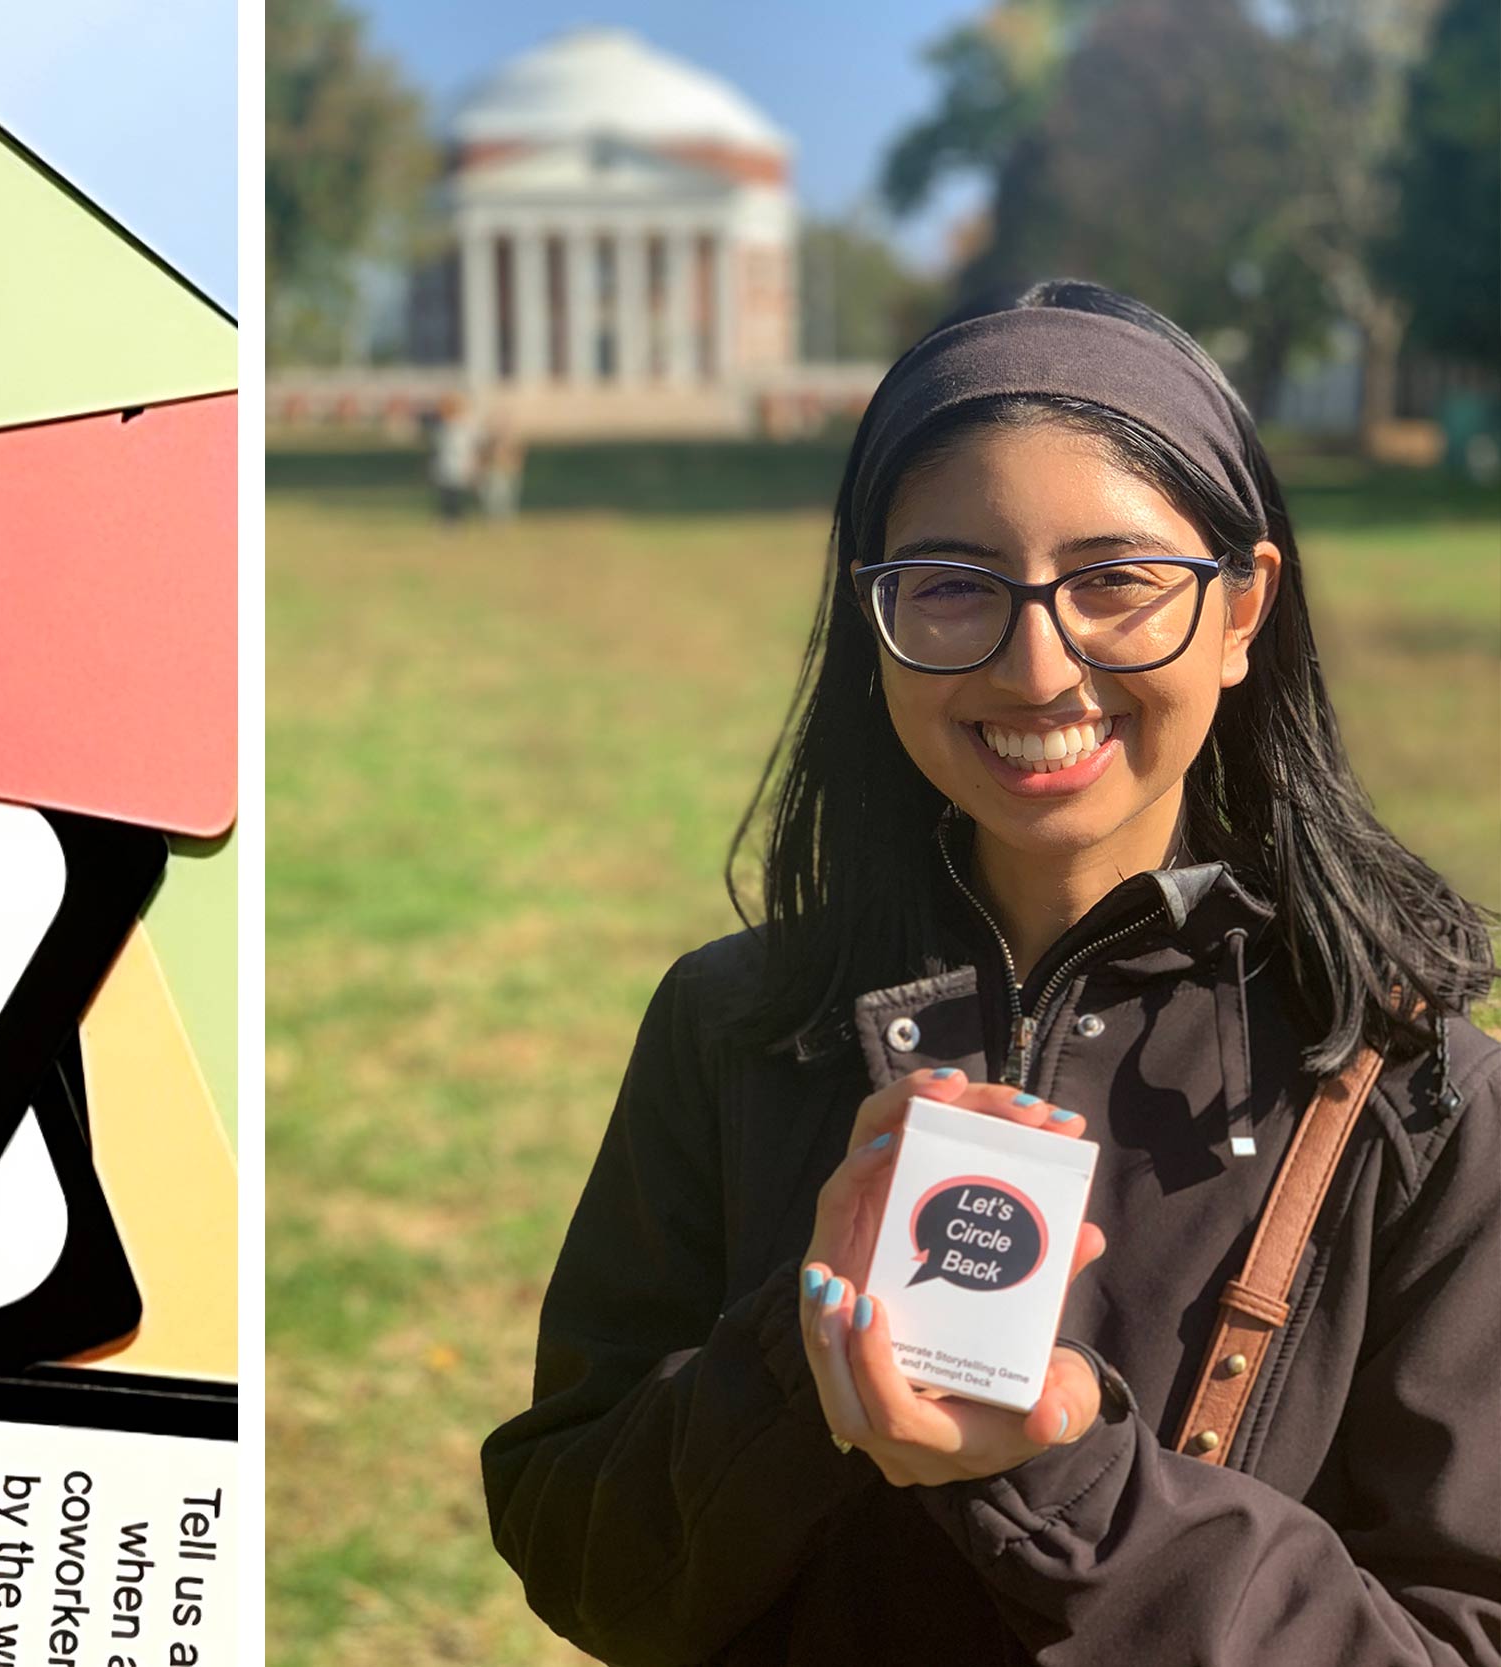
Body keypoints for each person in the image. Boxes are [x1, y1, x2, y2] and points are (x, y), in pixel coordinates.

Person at [481, 280, 1500, 1665]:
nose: (1038, 667)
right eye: (954, 585)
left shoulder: (1415, 1087)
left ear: (1244, 606)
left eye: (1117, 580)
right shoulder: (734, 1021)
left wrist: (1078, 1480)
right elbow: (582, 1560)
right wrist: (802, 1353)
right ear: (872, 614)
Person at [430, 393, 481, 524]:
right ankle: (448, 518)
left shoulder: (463, 427)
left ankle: (456, 519)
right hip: (445, 465)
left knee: (455, 495)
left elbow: (469, 448)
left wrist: (471, 465)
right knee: (446, 495)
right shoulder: (441, 428)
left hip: (459, 465)